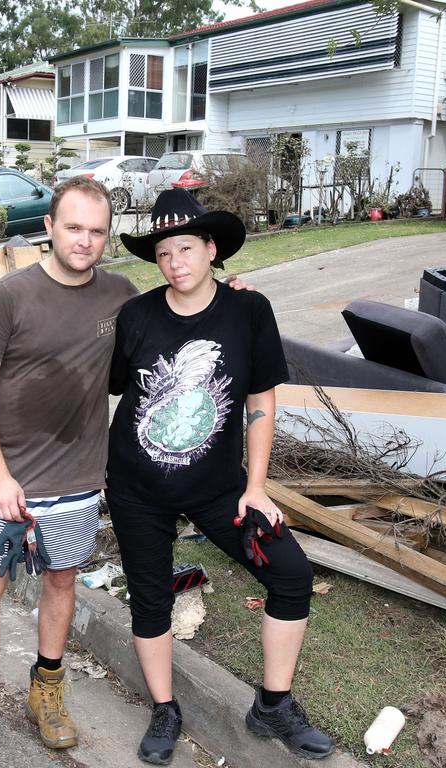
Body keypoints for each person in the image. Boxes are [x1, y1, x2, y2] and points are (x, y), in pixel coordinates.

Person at [0, 176, 138, 768]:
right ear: (49, 227)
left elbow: (180, 318)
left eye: (96, 231)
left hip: (77, 478)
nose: (85, 241)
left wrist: (232, 292)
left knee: (61, 584)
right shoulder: (11, 295)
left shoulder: (121, 296)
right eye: (73, 227)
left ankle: (47, 692)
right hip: (5, 478)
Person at [106, 189, 334, 764]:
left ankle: (274, 705)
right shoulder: (136, 316)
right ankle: (165, 710)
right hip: (137, 488)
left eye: (186, 247)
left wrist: (255, 488)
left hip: (219, 489)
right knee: (150, 600)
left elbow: (260, 401)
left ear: (211, 249)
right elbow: (115, 392)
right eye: (163, 253)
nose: (175, 261)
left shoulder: (248, 310)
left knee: (291, 575)